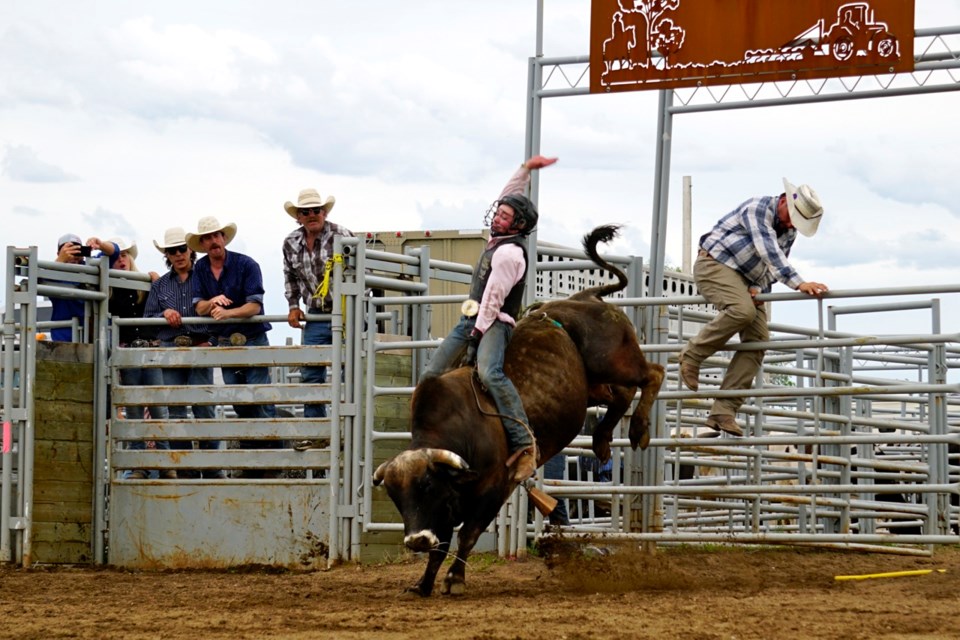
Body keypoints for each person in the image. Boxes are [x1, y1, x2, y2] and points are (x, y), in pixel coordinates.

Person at [420, 154, 558, 483]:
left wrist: (475, 335)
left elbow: (494, 300)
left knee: (490, 372)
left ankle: (525, 442)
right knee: (432, 374)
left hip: (496, 323)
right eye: (498, 212)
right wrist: (525, 169)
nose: (497, 216)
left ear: (518, 225)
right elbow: (509, 193)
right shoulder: (503, 238)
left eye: (504, 215)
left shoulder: (510, 254)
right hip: (475, 318)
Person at [678, 178, 829, 436]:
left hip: (746, 280)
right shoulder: (757, 208)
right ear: (784, 200)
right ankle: (692, 355)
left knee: (759, 339)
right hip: (715, 264)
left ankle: (724, 410)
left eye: (797, 222)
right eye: (792, 217)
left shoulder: (789, 231)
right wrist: (800, 284)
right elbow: (768, 250)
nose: (792, 224)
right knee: (742, 311)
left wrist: (759, 288)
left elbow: (771, 267)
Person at [186, 216, 280, 477]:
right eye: (206, 238)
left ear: (224, 238)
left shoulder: (246, 264)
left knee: (258, 395)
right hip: (226, 341)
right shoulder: (201, 270)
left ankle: (268, 458)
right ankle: (255, 459)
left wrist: (226, 313)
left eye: (216, 235)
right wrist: (212, 301)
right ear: (202, 244)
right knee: (239, 400)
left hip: (251, 337)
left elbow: (255, 306)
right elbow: (199, 306)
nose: (213, 241)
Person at [144, 227, 224, 480]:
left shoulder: (205, 278)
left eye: (181, 249)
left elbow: (219, 312)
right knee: (176, 410)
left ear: (190, 251)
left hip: (200, 345)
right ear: (167, 255)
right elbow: (147, 318)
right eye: (172, 251)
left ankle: (211, 468)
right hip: (171, 348)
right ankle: (186, 467)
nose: (178, 254)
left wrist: (211, 342)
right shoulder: (159, 286)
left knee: (204, 408)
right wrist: (163, 314)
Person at [282, 187, 355, 422]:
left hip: (346, 311)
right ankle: (317, 430)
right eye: (306, 211)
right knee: (311, 373)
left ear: (324, 212)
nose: (312, 214)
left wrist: (354, 306)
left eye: (316, 210)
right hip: (315, 314)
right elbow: (289, 276)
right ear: (298, 216)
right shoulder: (291, 242)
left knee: (350, 372)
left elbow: (361, 273)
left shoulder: (342, 235)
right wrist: (293, 305)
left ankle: (348, 429)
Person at [106, 237, 174, 480]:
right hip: (129, 352)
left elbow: (165, 299)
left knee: (159, 408)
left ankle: (165, 464)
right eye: (116, 256)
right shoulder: (109, 288)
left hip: (149, 349)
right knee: (135, 409)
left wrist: (157, 283)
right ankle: (139, 465)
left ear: (130, 258)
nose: (121, 259)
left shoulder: (146, 281)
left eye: (124, 255)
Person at [49, 234, 119, 342]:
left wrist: (101, 244)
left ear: (83, 252)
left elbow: (114, 252)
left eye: (77, 249)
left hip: (98, 338)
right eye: (67, 250)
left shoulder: (92, 267)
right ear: (59, 253)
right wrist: (60, 261)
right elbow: (36, 281)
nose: (73, 254)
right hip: (65, 339)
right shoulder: (51, 273)